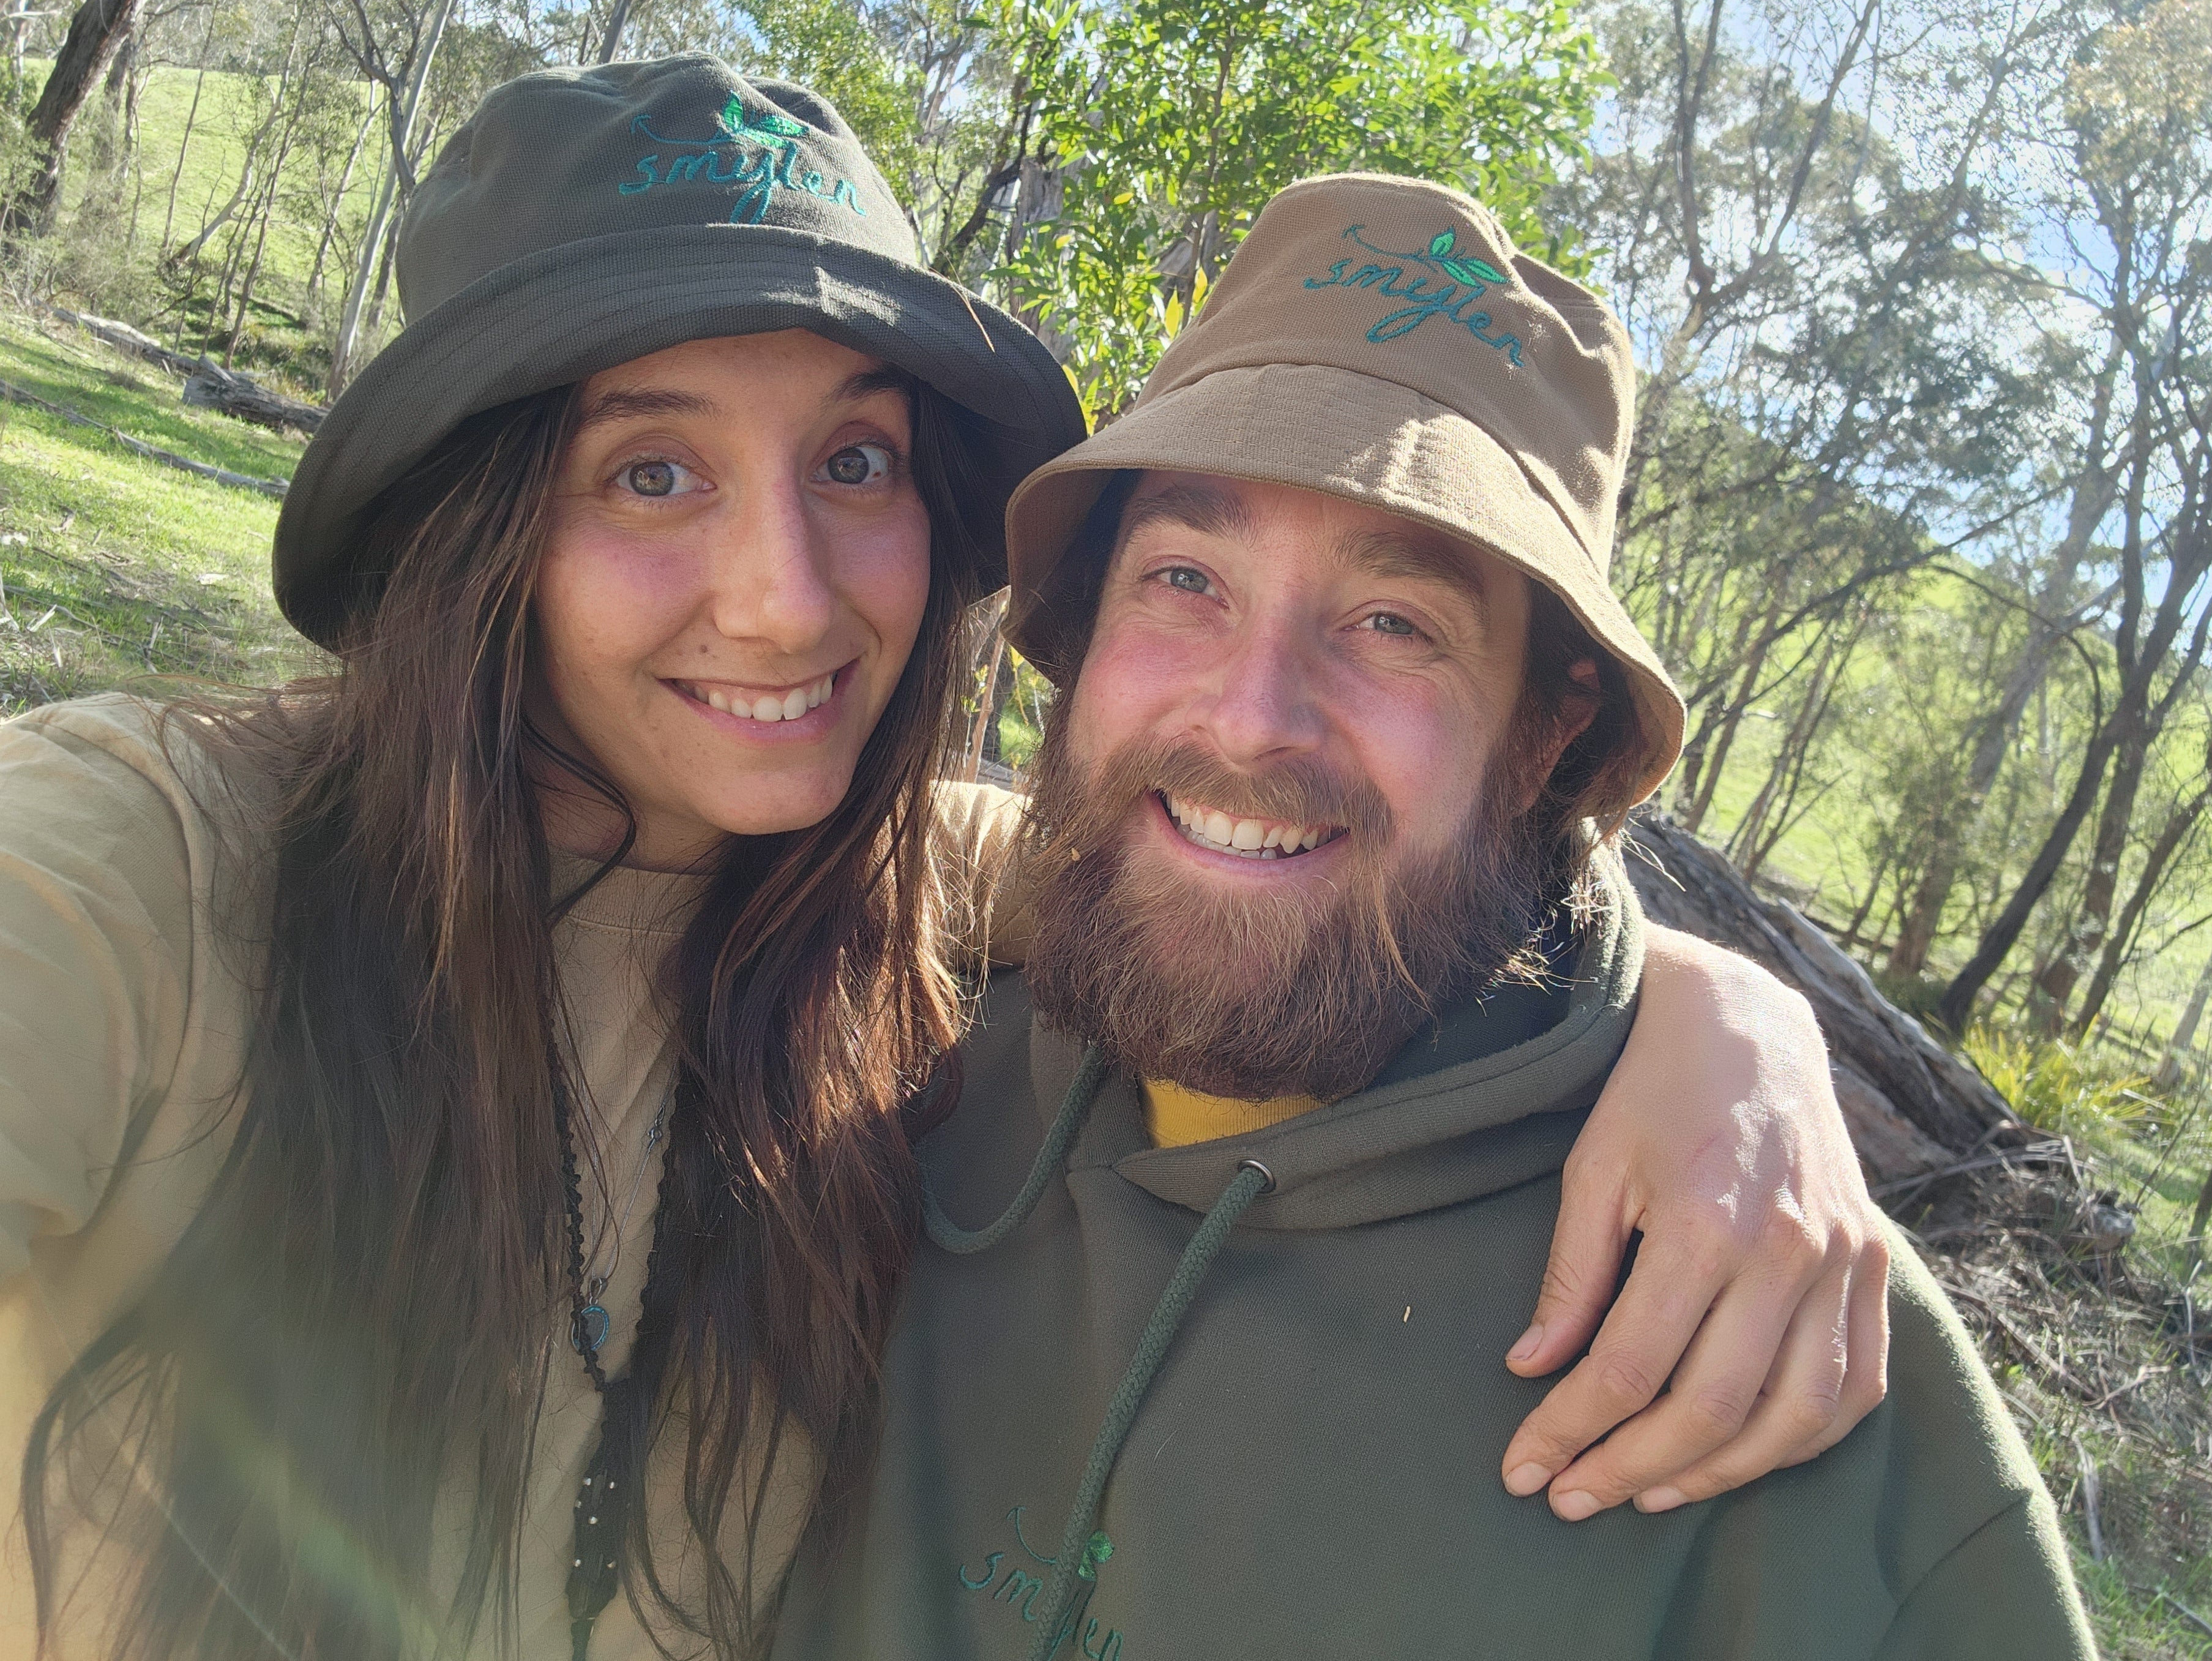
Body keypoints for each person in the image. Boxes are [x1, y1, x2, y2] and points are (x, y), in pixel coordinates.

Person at [1, 59, 1876, 1661]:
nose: (787, 597)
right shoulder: (147, 868)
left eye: (858, 466)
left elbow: (1265, 855)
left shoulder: (891, 912)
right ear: (473, 530)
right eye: (653, 472)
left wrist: (1718, 1017)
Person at [768, 173, 2095, 1660]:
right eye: (1186, 579)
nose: (1253, 716)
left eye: (1395, 623)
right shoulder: (883, 1047)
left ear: (1547, 730)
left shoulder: (1772, 1349)